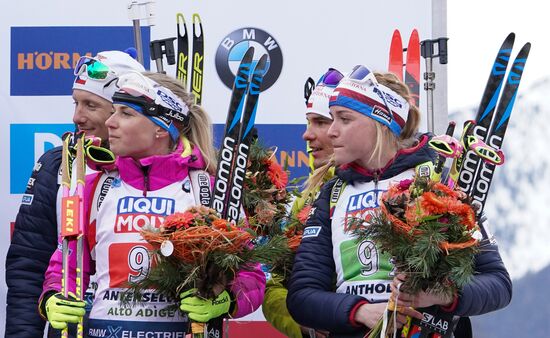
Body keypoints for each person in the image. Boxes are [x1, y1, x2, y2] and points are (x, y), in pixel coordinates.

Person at [286, 65, 511, 337]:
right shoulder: (333, 193)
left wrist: (440, 295)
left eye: (344, 119)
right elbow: (302, 297)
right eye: (331, 119)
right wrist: (359, 311)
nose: (332, 131)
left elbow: (498, 284)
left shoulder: (436, 179)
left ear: (381, 122)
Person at [38, 71, 266, 336]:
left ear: (161, 126)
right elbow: (67, 265)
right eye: (113, 111)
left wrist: (225, 299)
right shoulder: (95, 187)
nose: (110, 122)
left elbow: (251, 275)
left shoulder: (208, 190)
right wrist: (53, 297)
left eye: (126, 113)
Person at [5, 50, 145, 338]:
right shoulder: (58, 165)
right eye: (76, 103)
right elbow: (29, 267)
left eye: (91, 105)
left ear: (122, 111)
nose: (76, 116)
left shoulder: (172, 171)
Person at [262, 68, 343, 338]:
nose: (307, 135)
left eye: (320, 122)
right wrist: (304, 324)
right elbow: (274, 285)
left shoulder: (391, 186)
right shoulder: (307, 198)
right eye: (308, 122)